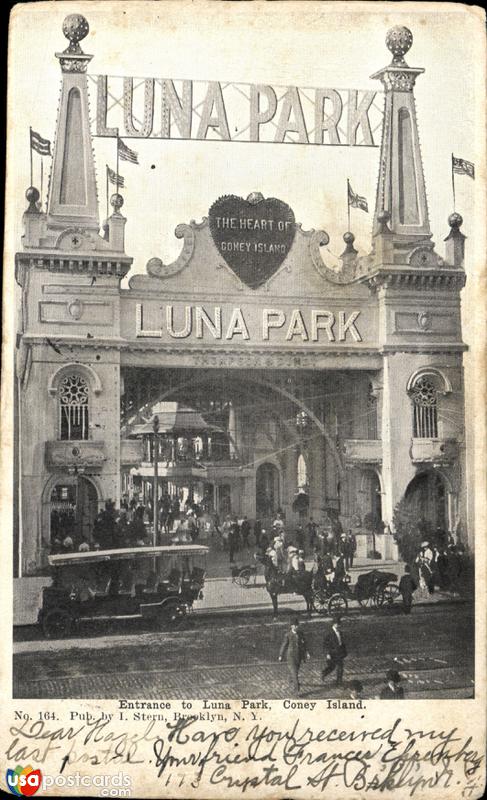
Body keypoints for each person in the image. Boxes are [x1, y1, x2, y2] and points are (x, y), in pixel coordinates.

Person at [279, 618, 310, 695]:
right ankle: (297, 690)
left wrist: (307, 652)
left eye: (297, 625)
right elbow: (284, 645)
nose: (296, 627)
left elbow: (304, 644)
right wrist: (280, 655)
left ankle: (291, 678)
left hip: (299, 656)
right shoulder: (288, 635)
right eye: (295, 625)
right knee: (295, 672)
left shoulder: (300, 634)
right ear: (291, 626)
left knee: (295, 671)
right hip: (291, 656)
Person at [322, 616, 347, 687]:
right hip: (332, 653)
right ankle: (324, 673)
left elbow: (341, 643)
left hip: (339, 653)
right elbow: (325, 644)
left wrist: (344, 651)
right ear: (333, 624)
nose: (338, 625)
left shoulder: (340, 632)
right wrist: (327, 653)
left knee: (340, 668)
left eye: (339, 624)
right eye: (337, 624)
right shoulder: (329, 633)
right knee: (332, 667)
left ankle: (339, 683)